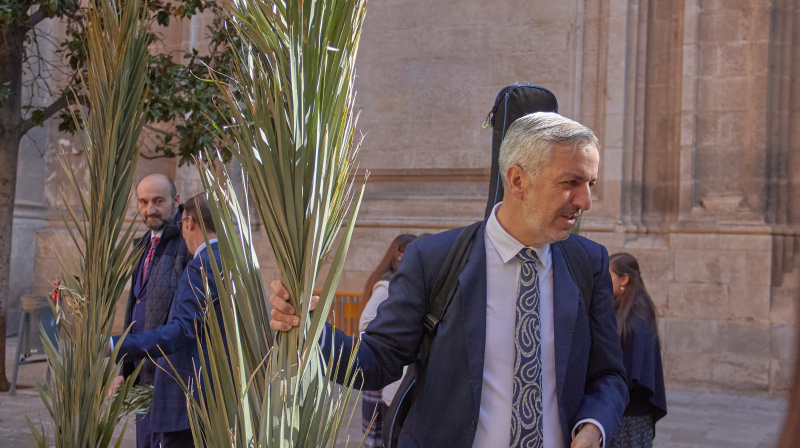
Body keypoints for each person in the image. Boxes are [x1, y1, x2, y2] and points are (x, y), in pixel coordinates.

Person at [270, 112, 628, 448]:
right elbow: (377, 362)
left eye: (591, 183)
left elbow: (609, 375)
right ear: (518, 180)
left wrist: (593, 426)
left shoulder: (589, 263)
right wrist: (309, 330)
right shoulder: (434, 260)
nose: (586, 201)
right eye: (571, 182)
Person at [112, 193, 222, 447]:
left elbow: (181, 330)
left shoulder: (201, 266)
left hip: (189, 401)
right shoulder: (237, 262)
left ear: (189, 222)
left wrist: (116, 345)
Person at [112, 173, 192, 448]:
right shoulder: (143, 244)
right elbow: (134, 311)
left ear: (176, 200)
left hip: (171, 381)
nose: (150, 209)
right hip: (142, 375)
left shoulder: (188, 244)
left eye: (158, 201)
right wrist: (125, 369)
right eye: (143, 202)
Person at [358, 233, 416, 448]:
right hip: (379, 361)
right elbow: (365, 322)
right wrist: (389, 340)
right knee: (377, 432)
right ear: (399, 255)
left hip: (381, 362)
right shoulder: (386, 285)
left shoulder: (394, 282)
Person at [606, 253, 667, 448]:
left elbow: (635, 370)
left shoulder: (638, 315)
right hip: (618, 409)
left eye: (609, 275)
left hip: (631, 414)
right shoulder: (620, 308)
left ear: (624, 279)